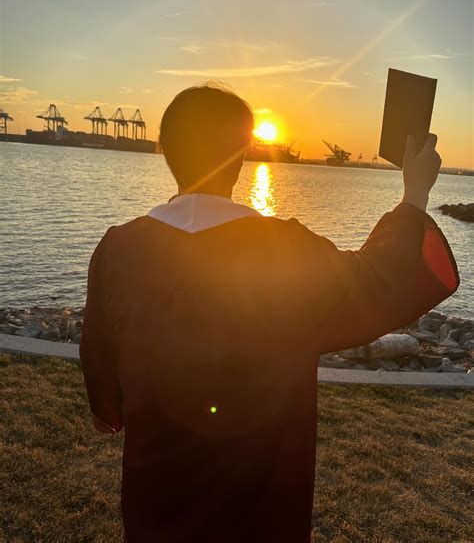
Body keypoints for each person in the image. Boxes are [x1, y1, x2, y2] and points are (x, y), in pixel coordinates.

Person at [80, 84, 459, 543]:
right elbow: (376, 282)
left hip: (160, 487)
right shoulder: (285, 249)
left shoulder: (119, 249)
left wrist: (108, 404)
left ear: (165, 150)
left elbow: (100, 349)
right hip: (260, 492)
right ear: (241, 154)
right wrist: (414, 193)